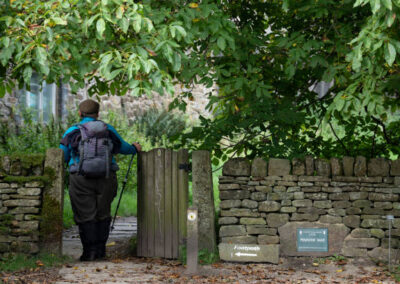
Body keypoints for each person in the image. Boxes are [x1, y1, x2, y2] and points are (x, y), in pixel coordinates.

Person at [60, 99, 141, 261]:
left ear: (79, 113)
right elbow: (123, 148)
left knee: (85, 215)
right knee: (103, 213)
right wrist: (135, 148)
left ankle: (89, 253)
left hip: (80, 178)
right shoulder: (107, 129)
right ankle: (100, 251)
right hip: (106, 176)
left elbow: (63, 155)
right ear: (98, 114)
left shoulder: (72, 131)